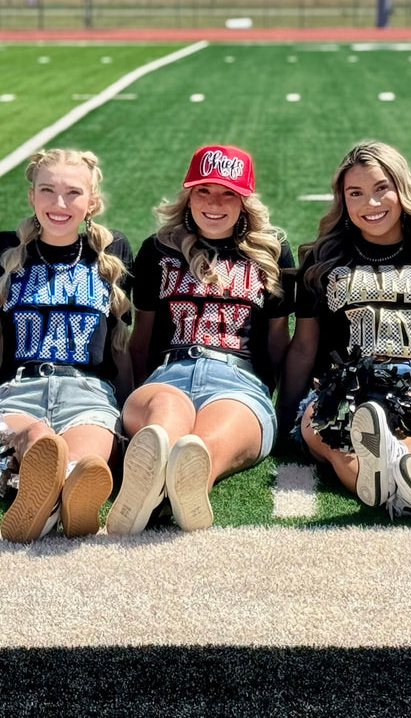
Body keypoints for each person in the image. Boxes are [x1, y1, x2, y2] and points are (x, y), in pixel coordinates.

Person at [106, 144, 293, 534]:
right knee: (164, 423)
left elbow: (277, 342)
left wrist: (279, 407)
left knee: (201, 446)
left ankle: (176, 489)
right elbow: (142, 340)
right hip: (169, 375)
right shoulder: (158, 250)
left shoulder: (271, 252)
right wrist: (131, 398)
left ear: (245, 202)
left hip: (238, 382)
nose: (215, 203)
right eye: (204, 191)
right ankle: (155, 479)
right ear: (188, 195)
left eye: (228, 193)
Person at [280, 141, 411, 517]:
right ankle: (396, 490)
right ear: (343, 201)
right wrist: (286, 418)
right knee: (338, 440)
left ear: (403, 190)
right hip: (343, 384)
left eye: (382, 188)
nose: (371, 203)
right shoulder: (322, 259)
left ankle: (406, 482)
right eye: (356, 193)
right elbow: (304, 346)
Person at [0, 149, 132, 543]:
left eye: (73, 193)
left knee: (88, 463)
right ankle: (53, 491)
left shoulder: (111, 252)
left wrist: (127, 410)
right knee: (36, 436)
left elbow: (119, 345)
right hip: (17, 393)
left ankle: (54, 496)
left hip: (88, 392)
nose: (59, 204)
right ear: (31, 197)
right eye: (47, 191)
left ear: (92, 202)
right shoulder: (1, 249)